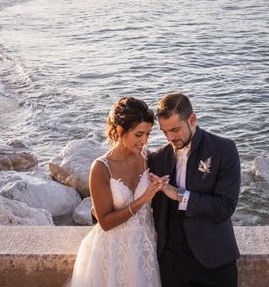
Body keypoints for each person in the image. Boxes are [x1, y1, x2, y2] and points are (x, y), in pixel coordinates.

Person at [69, 97, 166, 287]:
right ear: (120, 131)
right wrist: (143, 199)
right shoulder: (101, 168)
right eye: (139, 135)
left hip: (145, 249)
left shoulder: (147, 158)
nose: (144, 141)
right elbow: (104, 222)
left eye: (148, 134)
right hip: (112, 253)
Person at [148, 93, 241, 287]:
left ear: (192, 119)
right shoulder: (157, 158)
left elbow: (225, 206)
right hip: (172, 264)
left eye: (175, 129)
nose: (170, 137)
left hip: (214, 262)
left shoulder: (224, 150)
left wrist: (179, 195)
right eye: (164, 131)